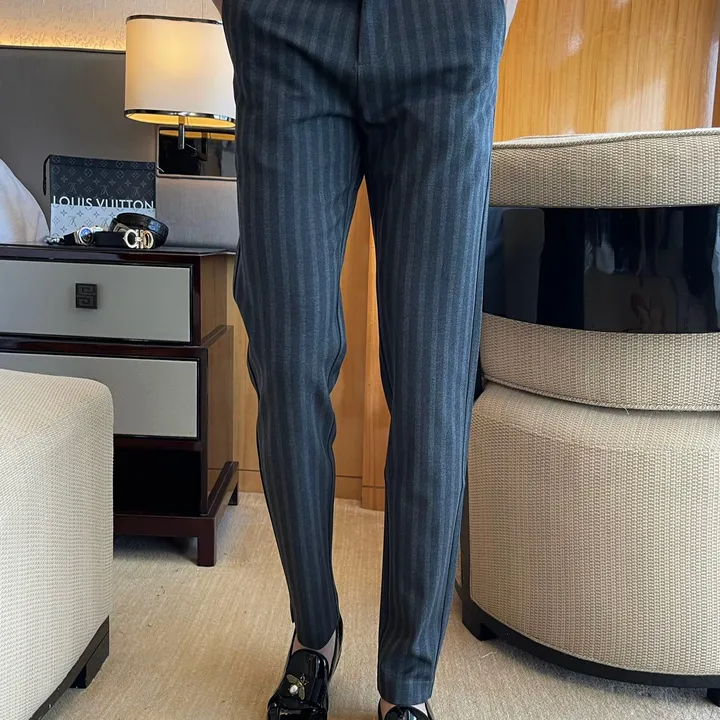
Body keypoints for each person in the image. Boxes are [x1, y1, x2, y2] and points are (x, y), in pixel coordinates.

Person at [215, 1, 516, 718]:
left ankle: (406, 686)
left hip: (447, 27)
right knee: (287, 363)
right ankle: (315, 631)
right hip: (286, 26)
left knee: (434, 387)